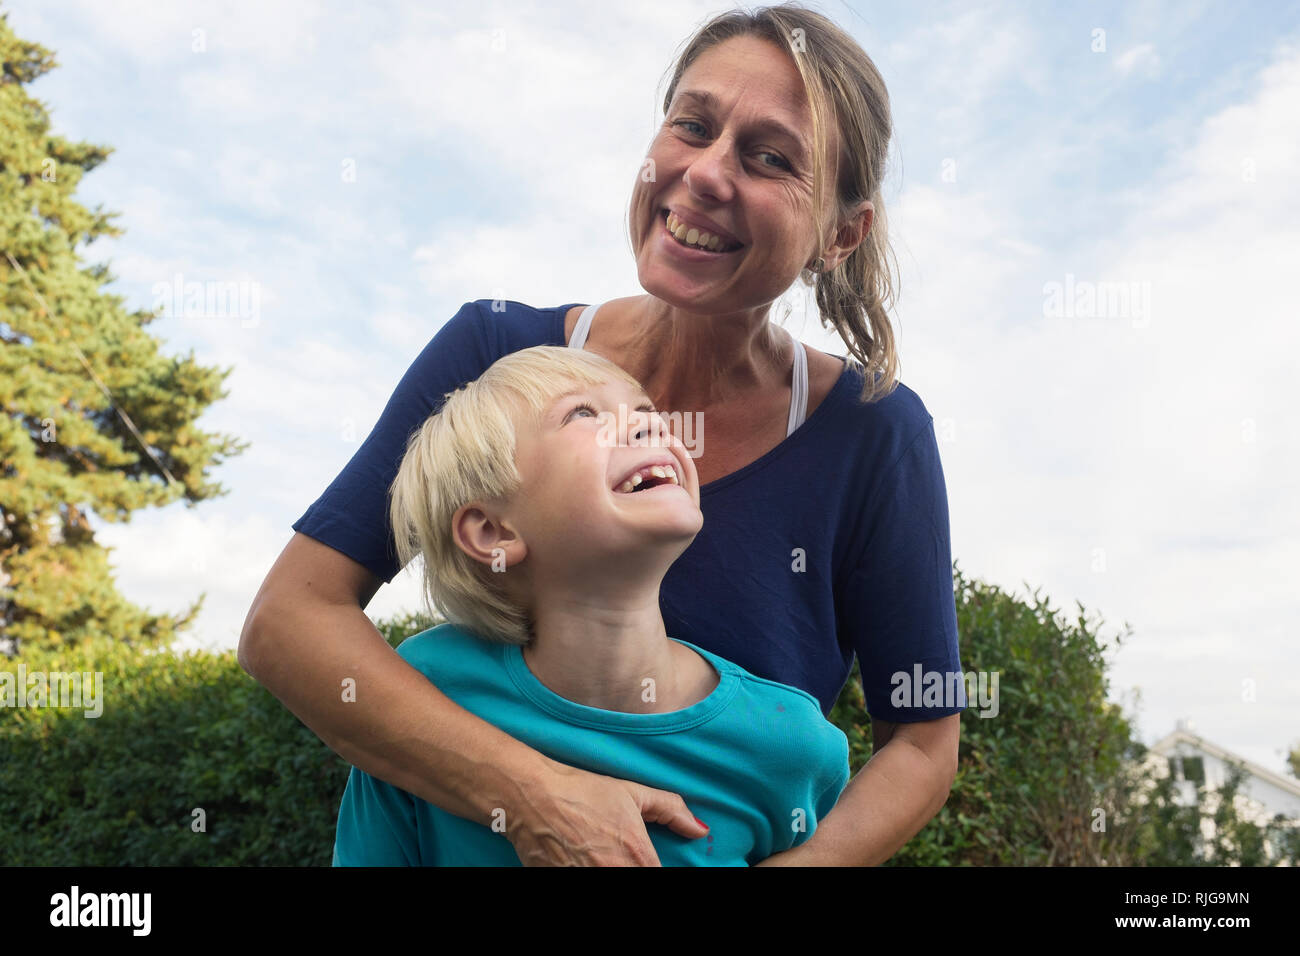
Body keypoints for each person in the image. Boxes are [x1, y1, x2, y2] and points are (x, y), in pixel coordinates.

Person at [240, 3, 965, 866]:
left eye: (768, 158)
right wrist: (532, 798)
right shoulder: (495, 351)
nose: (704, 173)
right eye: (691, 126)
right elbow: (292, 618)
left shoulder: (875, 433)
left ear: (841, 233)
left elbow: (922, 744)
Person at [332, 346, 851, 866]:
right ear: (492, 531)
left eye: (648, 415)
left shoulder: (793, 745)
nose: (650, 428)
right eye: (582, 414)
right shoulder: (422, 689)